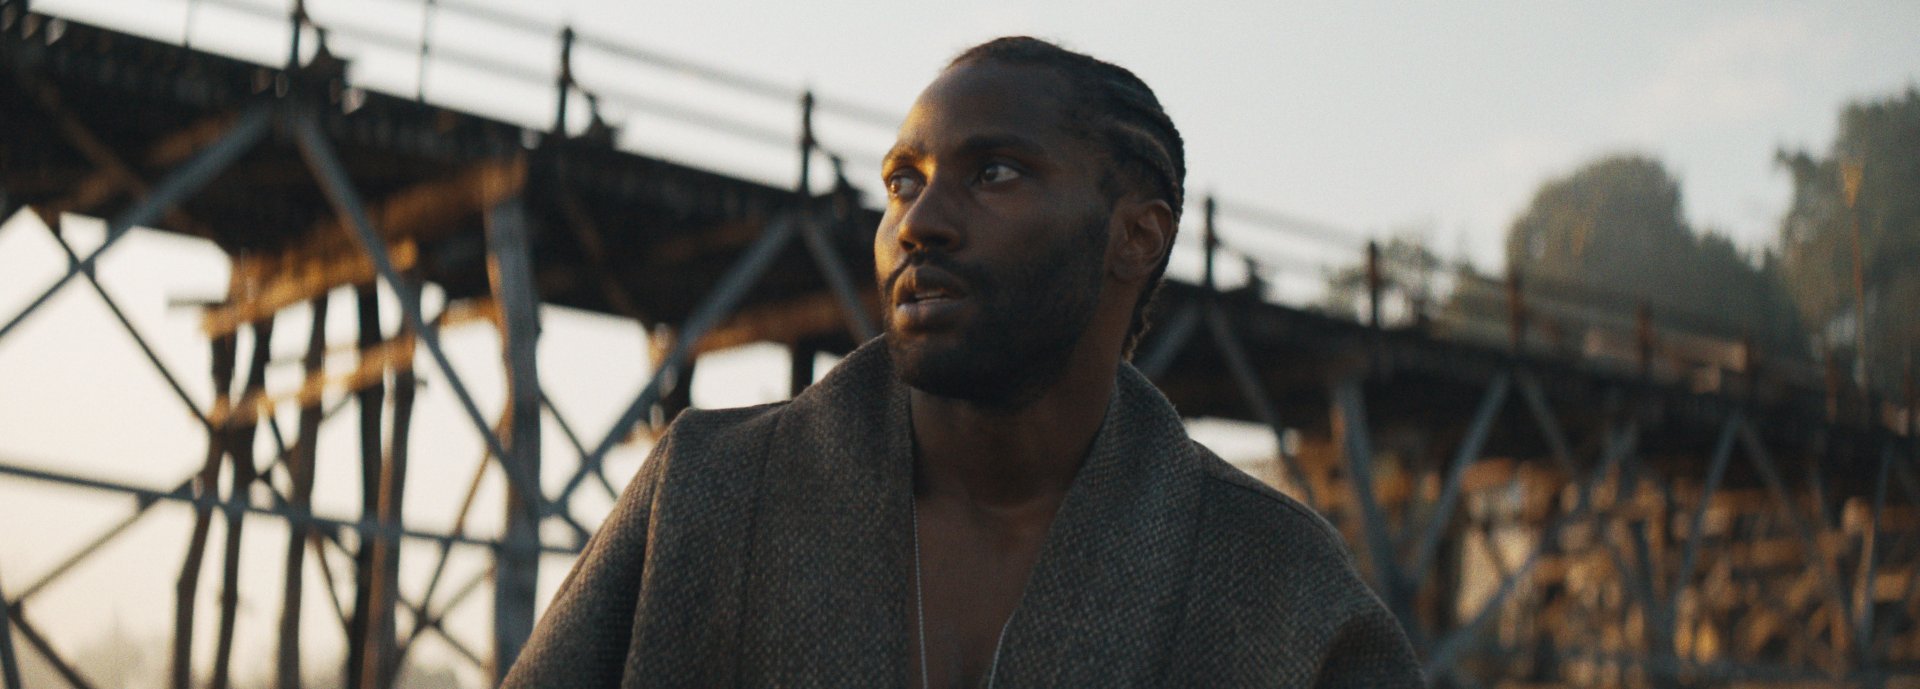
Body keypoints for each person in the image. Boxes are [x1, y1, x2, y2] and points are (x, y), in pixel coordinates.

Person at [503, 36, 1422, 689]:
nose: (920, 220)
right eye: (903, 179)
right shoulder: (702, 493)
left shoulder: (1274, 580)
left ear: (1136, 236)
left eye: (995, 173)